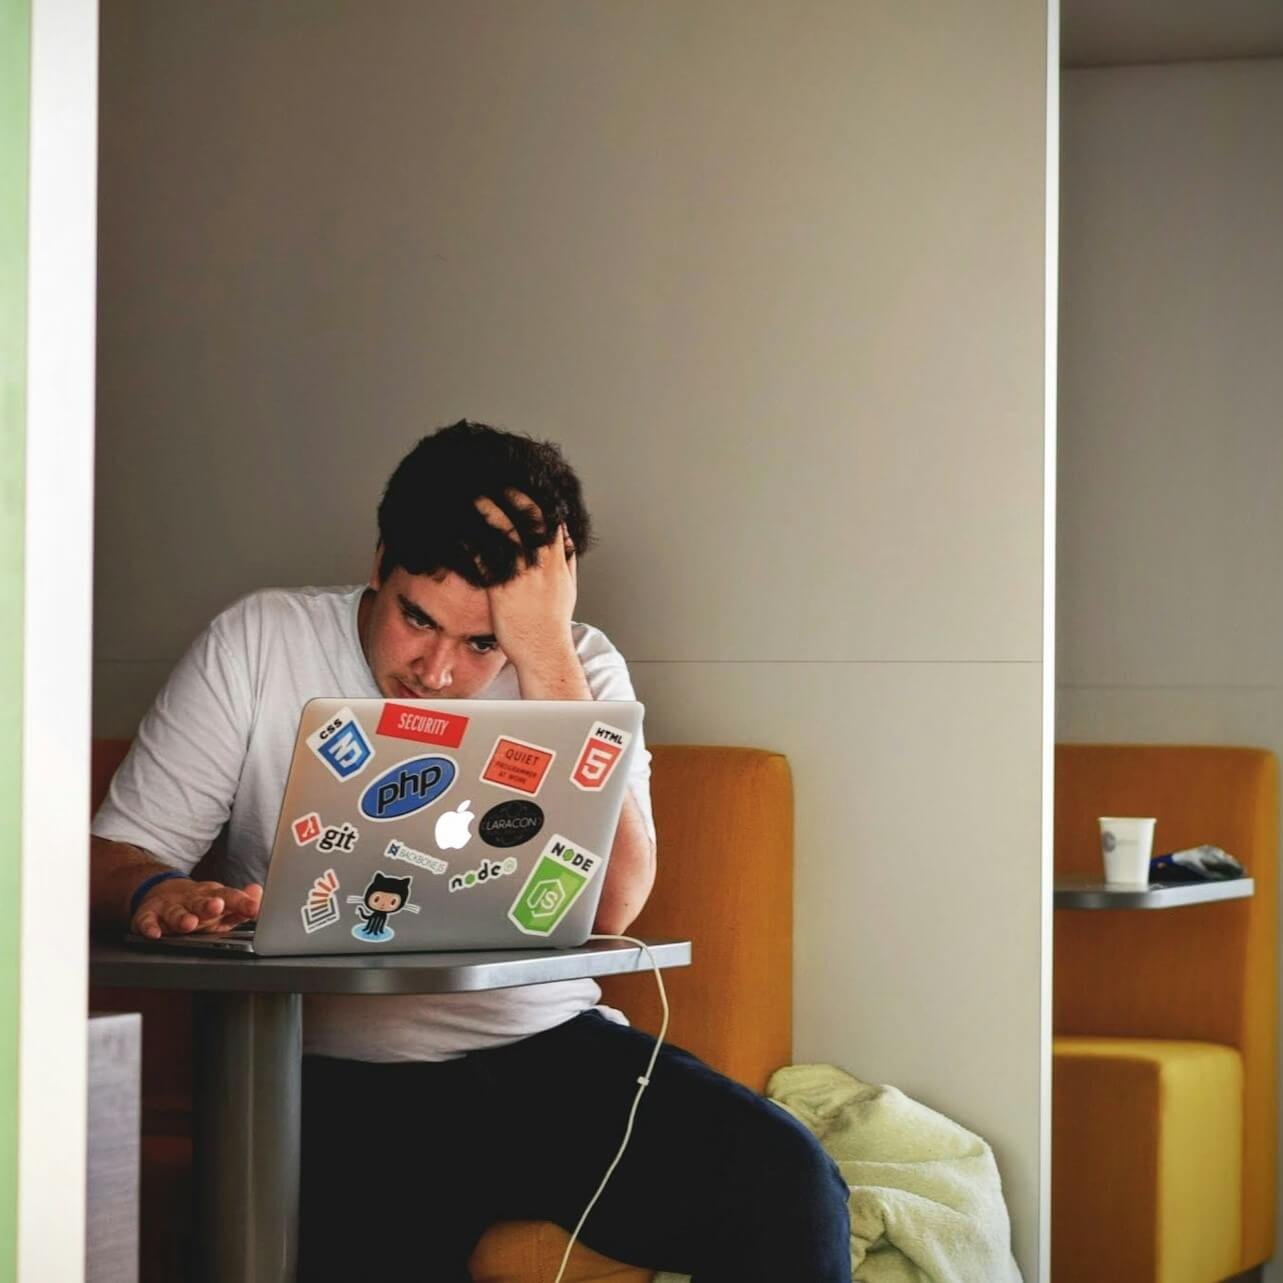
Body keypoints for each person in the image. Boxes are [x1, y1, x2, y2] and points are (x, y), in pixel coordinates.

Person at [89, 420, 851, 1282]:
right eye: (418, 619)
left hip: (548, 1053)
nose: (438, 671)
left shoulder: (576, 665)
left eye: (481, 641)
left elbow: (614, 905)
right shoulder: (259, 641)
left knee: (789, 1182)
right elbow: (113, 854)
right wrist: (157, 889)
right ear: (379, 562)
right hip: (332, 1077)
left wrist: (543, 654)